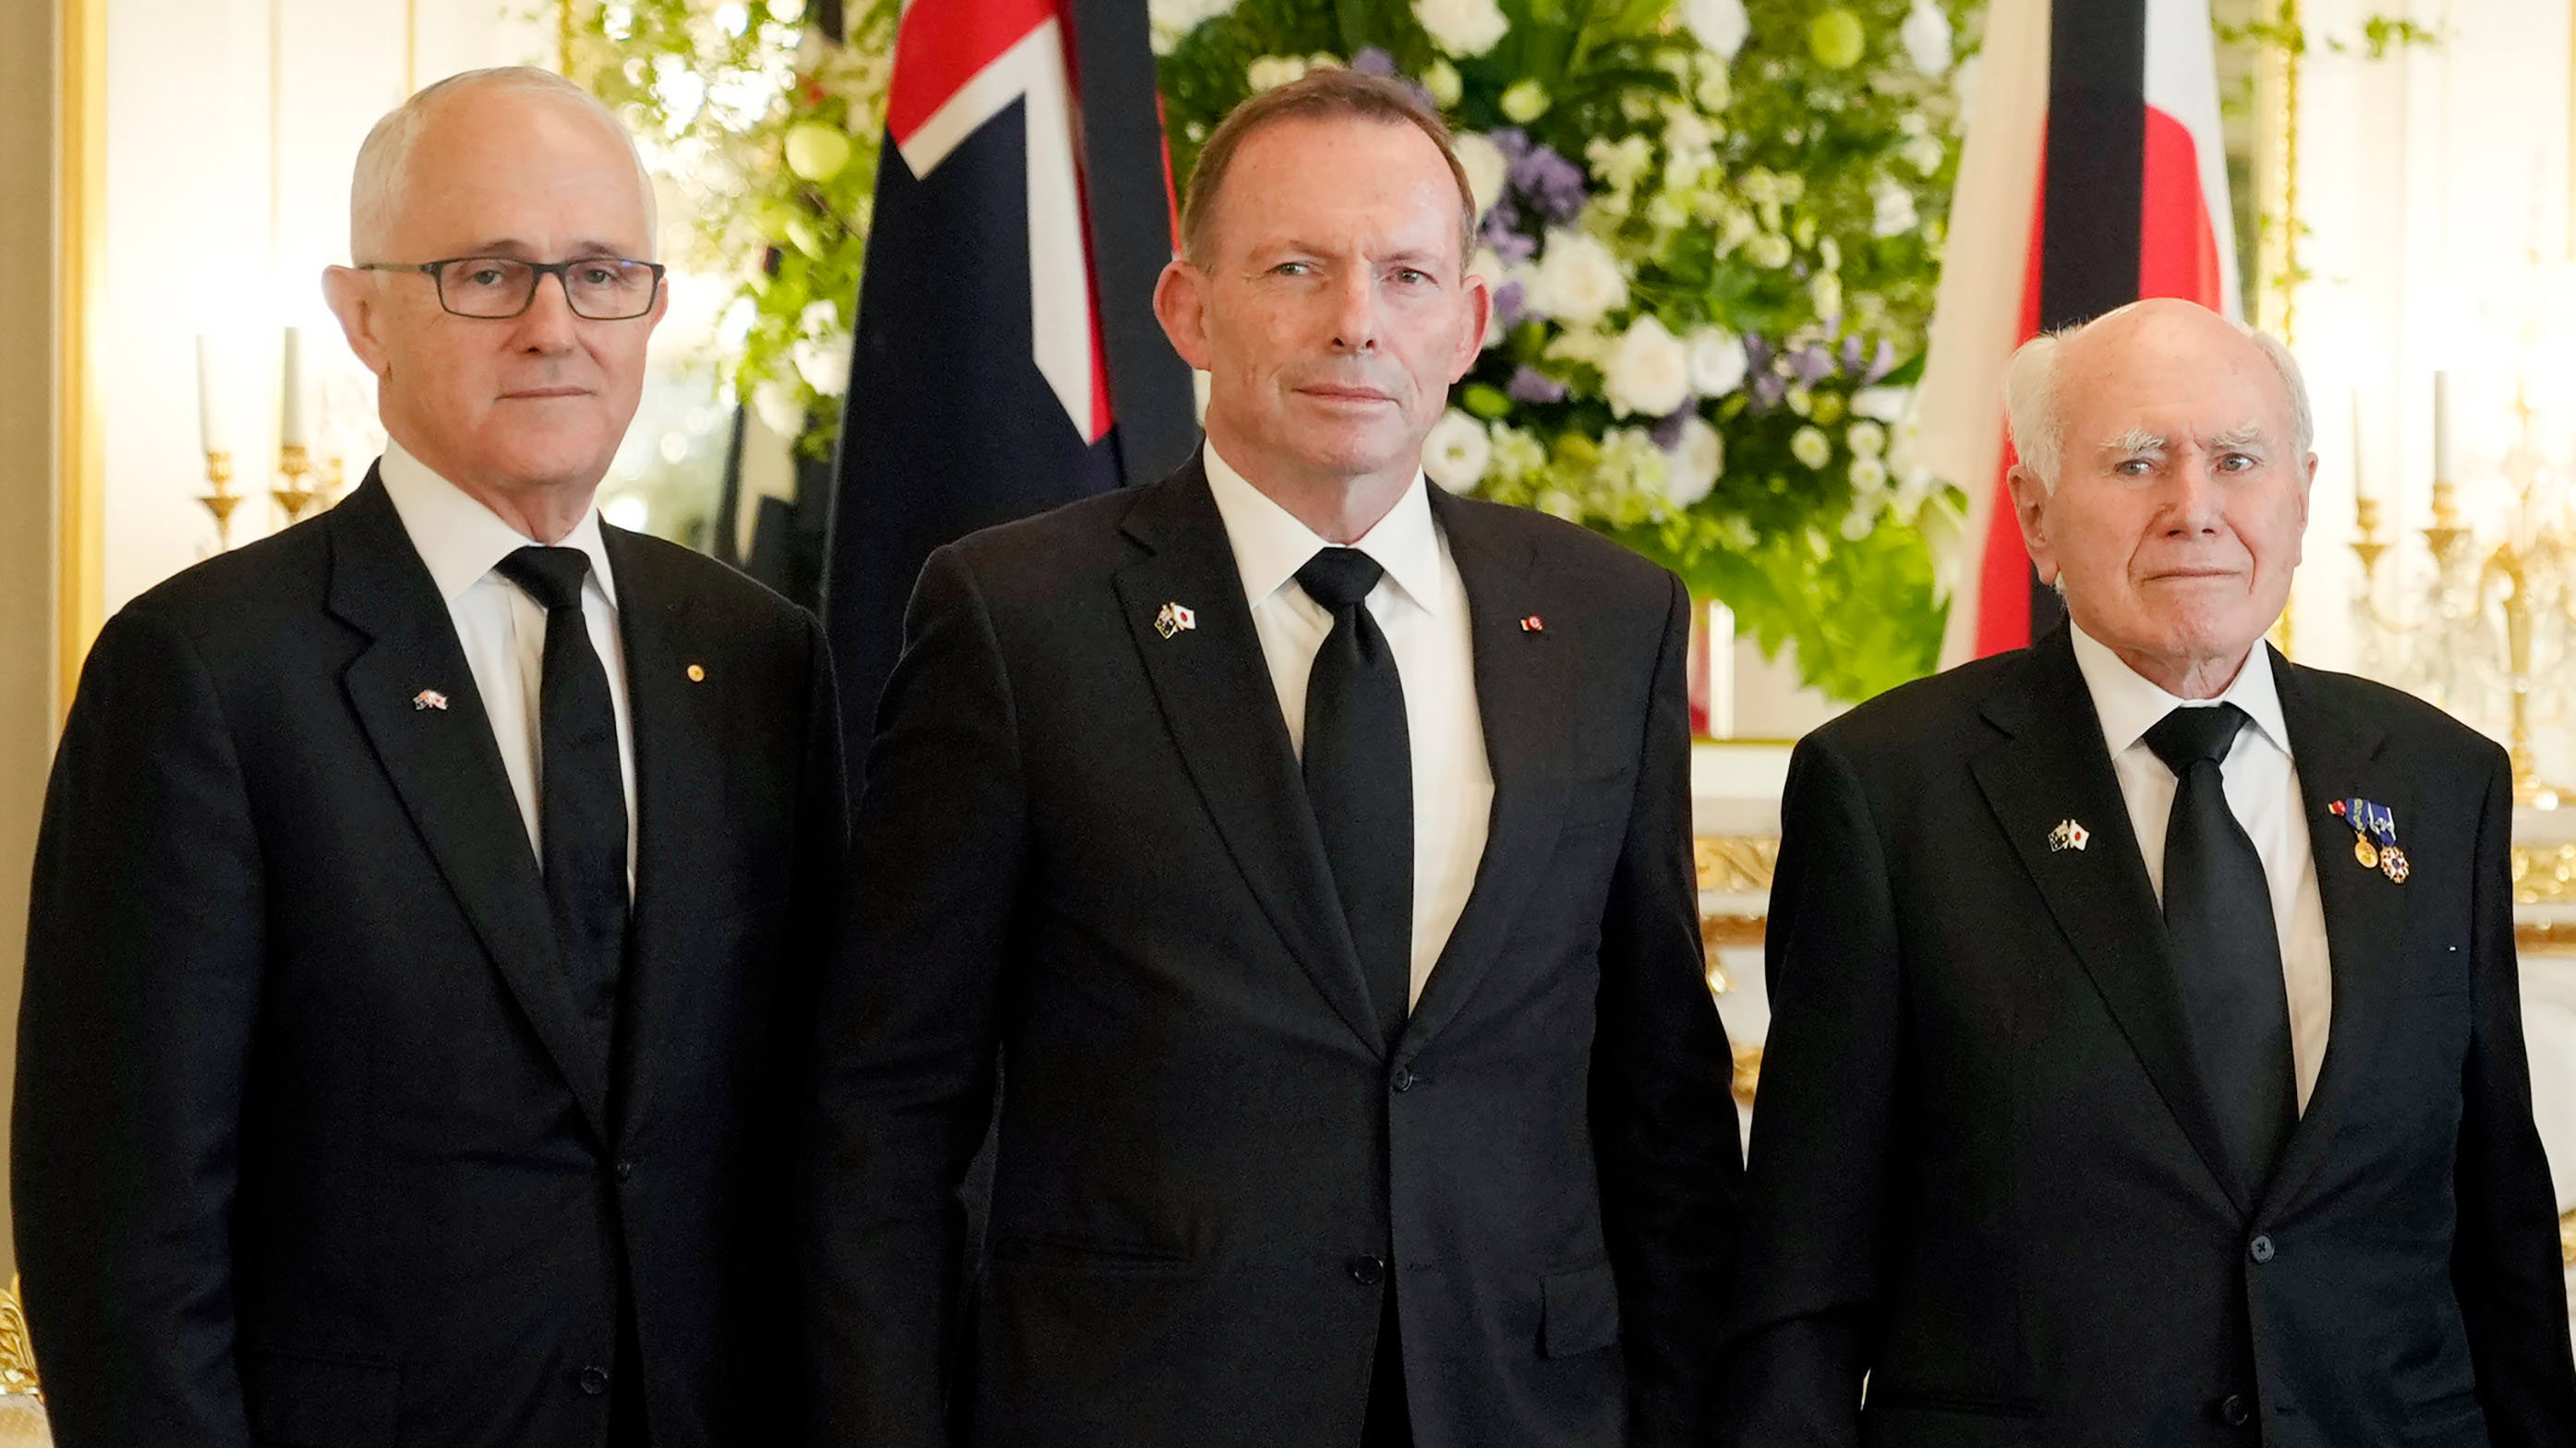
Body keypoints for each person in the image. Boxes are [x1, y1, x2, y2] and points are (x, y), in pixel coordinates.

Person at [803, 67, 1739, 1448]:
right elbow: (886, 1110)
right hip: (1132, 1406)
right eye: (1296, 267)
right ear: (1188, 308)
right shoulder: (1017, 619)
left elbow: (1660, 1097)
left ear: (1470, 323)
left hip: (1520, 1404)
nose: (1357, 322)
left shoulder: (1608, 621)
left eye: (1408, 275)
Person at [16, 66, 846, 1448]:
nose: (551, 328)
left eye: (599, 275)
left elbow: (816, 1128)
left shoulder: (755, 654)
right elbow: (124, 1229)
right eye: (487, 274)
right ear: (363, 315)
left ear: (650, 308)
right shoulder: (207, 672)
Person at [1723, 297, 2576, 1446]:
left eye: (2236, 459)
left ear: (2301, 492)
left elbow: (2499, 1230)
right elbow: (1805, 1271)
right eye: (2135, 463)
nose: (2194, 508)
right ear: (2033, 511)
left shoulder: (2437, 778)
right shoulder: (1887, 790)